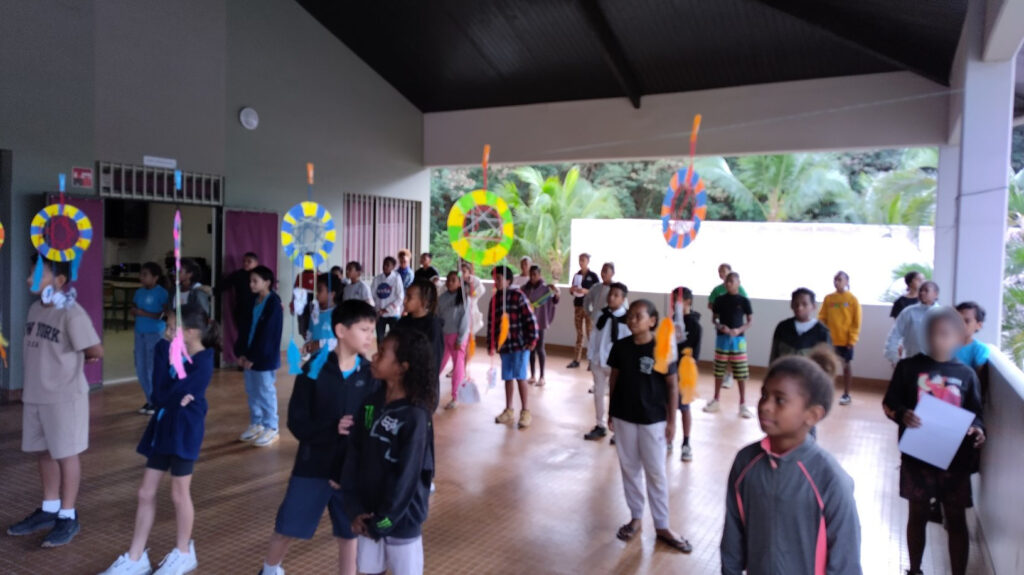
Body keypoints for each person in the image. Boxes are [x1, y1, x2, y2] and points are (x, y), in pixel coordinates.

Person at [258, 300, 379, 575]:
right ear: (341, 330)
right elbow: (296, 422)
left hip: (350, 471)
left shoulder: (370, 375)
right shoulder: (313, 370)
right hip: (313, 467)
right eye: (364, 330)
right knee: (287, 528)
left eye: (372, 330)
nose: (370, 337)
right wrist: (332, 428)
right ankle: (269, 569)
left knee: (349, 533)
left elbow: (372, 422)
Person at [99, 305, 218, 575]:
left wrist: (175, 392)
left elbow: (179, 392)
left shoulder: (204, 360)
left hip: (185, 431)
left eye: (173, 328)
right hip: (163, 426)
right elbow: (159, 395)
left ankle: (184, 553)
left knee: (179, 493)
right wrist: (171, 371)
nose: (167, 332)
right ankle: (135, 557)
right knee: (145, 492)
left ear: (190, 332)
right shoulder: (165, 349)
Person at [721, 348, 862, 575]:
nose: (765, 406)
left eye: (780, 400)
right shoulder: (745, 462)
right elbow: (733, 535)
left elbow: (846, 561)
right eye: (764, 395)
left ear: (812, 415)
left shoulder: (830, 479)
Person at [7, 257, 102, 548]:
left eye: (37, 274)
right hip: (35, 394)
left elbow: (95, 350)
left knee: (66, 454)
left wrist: (71, 364)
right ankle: (49, 508)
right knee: (44, 452)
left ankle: (68, 515)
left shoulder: (71, 313)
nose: (29, 279)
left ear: (59, 281)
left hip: (63, 397)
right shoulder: (35, 309)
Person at [882, 307, 985, 575]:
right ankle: (915, 569)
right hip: (917, 457)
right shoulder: (907, 368)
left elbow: (976, 414)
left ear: (958, 337)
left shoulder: (967, 375)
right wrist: (902, 414)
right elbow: (889, 403)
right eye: (932, 333)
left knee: (956, 518)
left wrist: (977, 429)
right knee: (917, 514)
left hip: (955, 461)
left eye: (944, 333)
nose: (937, 339)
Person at [341, 328, 435, 575]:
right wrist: (355, 509)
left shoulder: (415, 416)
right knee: (370, 570)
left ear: (402, 367)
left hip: (401, 520)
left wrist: (383, 522)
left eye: (382, 353)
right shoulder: (371, 405)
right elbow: (354, 455)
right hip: (368, 514)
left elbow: (409, 477)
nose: (374, 356)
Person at [607, 299, 692, 554]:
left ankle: (662, 525)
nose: (632, 320)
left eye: (639, 316)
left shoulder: (662, 348)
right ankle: (635, 517)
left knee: (656, 472)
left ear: (652, 321)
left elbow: (672, 385)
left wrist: (672, 421)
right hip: (624, 416)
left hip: (654, 419)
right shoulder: (621, 347)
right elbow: (614, 379)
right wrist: (611, 411)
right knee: (629, 468)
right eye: (630, 316)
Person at [237, 265, 284, 448]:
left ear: (267, 282)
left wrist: (254, 357)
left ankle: (271, 427)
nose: (251, 284)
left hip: (263, 357)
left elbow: (268, 335)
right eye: (250, 281)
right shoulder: (252, 300)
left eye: (255, 281)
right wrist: (242, 352)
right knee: (252, 391)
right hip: (249, 354)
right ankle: (257, 423)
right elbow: (244, 328)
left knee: (265, 391)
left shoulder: (273, 304)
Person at [490, 265, 539, 429]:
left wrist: (532, 339)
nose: (496, 282)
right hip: (505, 347)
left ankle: (525, 411)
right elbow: (492, 324)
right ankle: (509, 409)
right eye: (494, 279)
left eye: (499, 279)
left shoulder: (518, 296)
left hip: (520, 345)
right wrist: (491, 343)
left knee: (520, 377)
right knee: (508, 377)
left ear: (508, 280)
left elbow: (530, 319)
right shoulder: (495, 300)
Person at [584, 282, 631, 441]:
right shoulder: (601, 315)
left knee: (617, 396)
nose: (611, 297)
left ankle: (618, 430)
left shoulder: (628, 319)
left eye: (616, 295)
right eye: (610, 294)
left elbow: (629, 343)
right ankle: (600, 425)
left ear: (623, 299)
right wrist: (590, 357)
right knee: (598, 394)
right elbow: (594, 336)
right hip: (599, 361)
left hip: (617, 364)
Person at [705, 272, 754, 418]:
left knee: (741, 371)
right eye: (727, 281)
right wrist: (720, 327)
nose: (728, 284)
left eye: (732, 281)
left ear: (738, 283)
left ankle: (743, 404)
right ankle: (715, 400)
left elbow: (750, 321)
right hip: (722, 339)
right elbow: (714, 319)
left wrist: (739, 330)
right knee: (719, 370)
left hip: (739, 341)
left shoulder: (744, 301)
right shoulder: (719, 300)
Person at [131, 261, 170, 415]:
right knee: (141, 368)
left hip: (155, 334)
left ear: (155, 277)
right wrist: (134, 312)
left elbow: (164, 315)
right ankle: (150, 400)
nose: (141, 277)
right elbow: (134, 307)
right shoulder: (139, 292)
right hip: (139, 333)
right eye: (141, 274)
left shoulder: (162, 293)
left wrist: (144, 313)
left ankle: (157, 400)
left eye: (145, 275)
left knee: (152, 369)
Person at [399, 279, 444, 411]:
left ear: (423, 302)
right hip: (402, 381)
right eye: (405, 296)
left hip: (422, 387)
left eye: (409, 297)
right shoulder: (403, 322)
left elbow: (434, 359)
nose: (404, 301)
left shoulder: (433, 325)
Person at [819, 272, 862, 406]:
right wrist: (821, 334)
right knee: (826, 366)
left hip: (845, 341)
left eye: (839, 279)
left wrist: (852, 339)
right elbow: (822, 318)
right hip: (830, 340)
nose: (836, 282)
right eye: (835, 280)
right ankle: (824, 393)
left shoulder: (852, 299)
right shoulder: (829, 298)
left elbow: (856, 322)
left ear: (847, 282)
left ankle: (846, 394)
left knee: (846, 366)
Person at [671, 287, 701, 461]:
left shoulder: (695, 325)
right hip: (670, 370)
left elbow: (694, 355)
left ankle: (686, 443)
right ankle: (668, 439)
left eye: (678, 300)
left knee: (684, 408)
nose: (674, 304)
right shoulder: (671, 322)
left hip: (685, 372)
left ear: (688, 302)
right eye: (673, 300)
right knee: (668, 407)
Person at [708, 263, 747, 390]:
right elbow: (710, 304)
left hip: (736, 328)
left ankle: (730, 375)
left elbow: (745, 303)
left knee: (734, 353)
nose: (721, 274)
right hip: (722, 325)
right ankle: (724, 374)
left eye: (724, 271)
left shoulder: (740, 289)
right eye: (719, 272)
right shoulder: (717, 290)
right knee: (722, 352)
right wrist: (719, 310)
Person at [520, 265, 560, 386]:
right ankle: (532, 375)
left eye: (535, 275)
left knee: (540, 349)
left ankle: (542, 376)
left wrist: (557, 294)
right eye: (531, 275)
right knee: (530, 349)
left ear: (539, 275)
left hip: (540, 322)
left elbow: (554, 301)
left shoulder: (545, 289)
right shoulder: (524, 288)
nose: (532, 277)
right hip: (528, 324)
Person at [885, 281, 940, 366]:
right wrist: (894, 358)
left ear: (936, 294)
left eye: (926, 290)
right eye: (920, 290)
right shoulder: (909, 312)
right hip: (911, 362)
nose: (922, 293)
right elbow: (894, 335)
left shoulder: (942, 314)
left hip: (935, 364)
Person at [770, 287, 832, 363]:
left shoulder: (822, 331)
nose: (799, 308)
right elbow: (774, 356)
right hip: (785, 369)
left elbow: (827, 362)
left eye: (804, 304)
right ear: (791, 305)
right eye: (796, 304)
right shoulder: (782, 327)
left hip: (810, 370)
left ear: (813, 306)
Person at [437, 272, 470, 409]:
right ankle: (429, 391)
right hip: (443, 335)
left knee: (458, 367)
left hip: (457, 337)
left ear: (459, 283)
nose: (450, 282)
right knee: (438, 363)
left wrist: (460, 339)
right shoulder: (442, 298)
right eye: (448, 280)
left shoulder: (464, 299)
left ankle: (456, 396)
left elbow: (465, 321)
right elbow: (438, 316)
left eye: (453, 280)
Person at [216, 251, 259, 354]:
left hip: (257, 309)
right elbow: (223, 286)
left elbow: (269, 290)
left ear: (256, 263)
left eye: (249, 261)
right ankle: (243, 357)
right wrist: (211, 290)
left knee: (256, 335)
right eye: (244, 261)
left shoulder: (261, 275)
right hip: (242, 310)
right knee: (243, 335)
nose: (246, 263)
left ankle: (255, 356)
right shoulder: (238, 274)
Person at [567, 253, 600, 368]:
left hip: (589, 307)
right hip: (578, 306)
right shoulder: (576, 275)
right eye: (580, 260)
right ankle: (576, 360)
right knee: (579, 334)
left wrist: (586, 291)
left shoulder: (593, 276)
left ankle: (591, 361)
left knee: (590, 333)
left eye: (583, 260)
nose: (581, 262)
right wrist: (572, 290)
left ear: (588, 261)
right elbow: (572, 291)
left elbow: (598, 291)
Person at [303, 273, 340, 356]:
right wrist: (308, 343)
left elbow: (341, 341)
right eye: (316, 290)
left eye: (319, 290)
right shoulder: (315, 312)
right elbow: (310, 332)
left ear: (332, 294)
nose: (316, 294)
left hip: (332, 360)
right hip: (316, 358)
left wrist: (320, 344)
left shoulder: (338, 314)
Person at [372, 256, 405, 345]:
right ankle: (381, 353)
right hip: (380, 313)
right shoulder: (377, 279)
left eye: (387, 265)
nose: (385, 267)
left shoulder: (396, 278)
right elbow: (373, 296)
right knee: (380, 338)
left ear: (393, 267)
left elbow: (400, 297)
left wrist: (387, 309)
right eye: (384, 264)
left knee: (394, 338)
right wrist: (378, 309)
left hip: (393, 313)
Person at [955, 302, 990, 373]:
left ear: (979, 325)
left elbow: (978, 377)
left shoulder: (979, 349)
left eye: (967, 321)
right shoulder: (943, 345)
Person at [291, 267, 317, 339]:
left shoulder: (319, 275)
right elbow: (295, 292)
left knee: (314, 326)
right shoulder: (300, 276)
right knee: (303, 328)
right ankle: (306, 340)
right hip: (302, 303)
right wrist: (293, 305)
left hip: (314, 303)